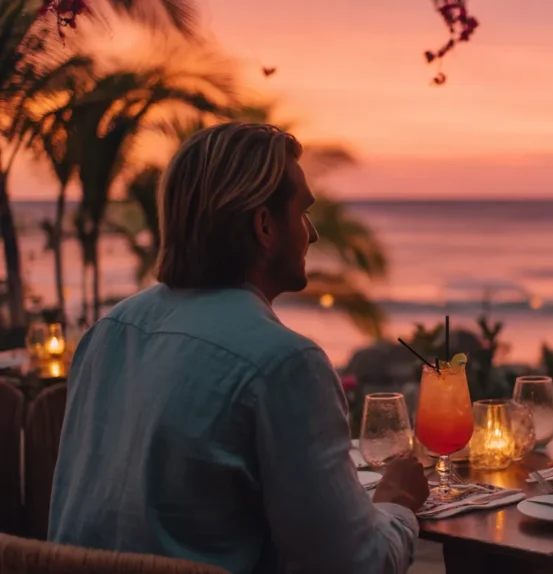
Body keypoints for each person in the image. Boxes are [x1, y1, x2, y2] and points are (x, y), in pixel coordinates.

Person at [49, 122, 429, 574]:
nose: (313, 233)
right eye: (302, 212)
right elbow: (353, 565)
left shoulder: (109, 332)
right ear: (265, 225)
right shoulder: (283, 363)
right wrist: (397, 503)